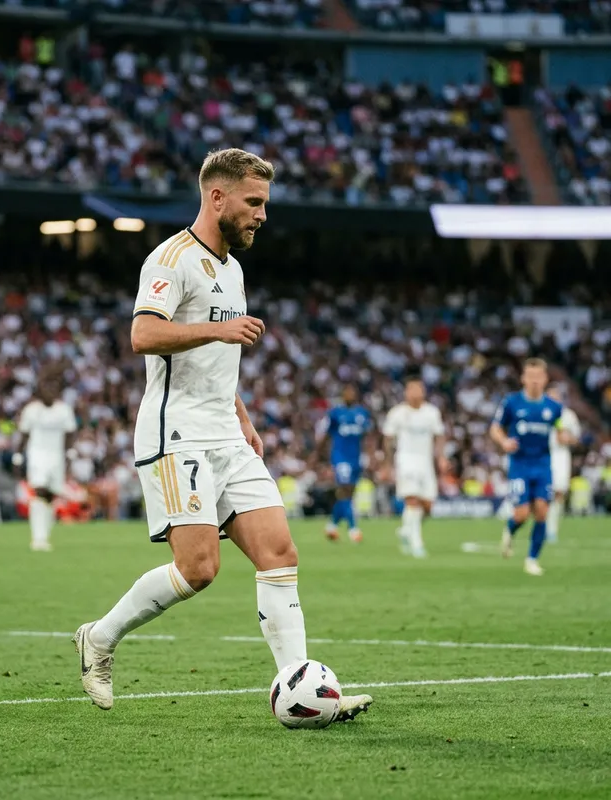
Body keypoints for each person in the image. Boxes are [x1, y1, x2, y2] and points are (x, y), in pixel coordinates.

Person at [72, 148, 373, 721]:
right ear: (218, 197)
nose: (262, 215)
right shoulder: (171, 259)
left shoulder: (233, 269)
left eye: (264, 203)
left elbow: (212, 356)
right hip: (176, 432)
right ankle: (100, 637)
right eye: (254, 202)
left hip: (225, 433)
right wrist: (220, 328)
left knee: (279, 553)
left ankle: (304, 693)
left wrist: (241, 413)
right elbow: (143, 335)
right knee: (199, 569)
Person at [490, 358, 564, 576]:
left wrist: (564, 435)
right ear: (523, 378)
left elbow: (559, 428)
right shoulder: (511, 403)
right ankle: (510, 530)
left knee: (542, 511)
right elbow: (495, 428)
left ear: (545, 379)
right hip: (519, 465)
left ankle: (532, 559)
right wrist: (504, 441)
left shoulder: (554, 407)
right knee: (521, 514)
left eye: (538, 377)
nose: (534, 381)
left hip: (543, 465)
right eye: (530, 377)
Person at [382, 377, 447, 558]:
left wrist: (441, 457)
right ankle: (417, 543)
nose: (415, 394)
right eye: (411, 390)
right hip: (406, 460)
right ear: (406, 393)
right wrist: (387, 464)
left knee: (427, 506)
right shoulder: (397, 413)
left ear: (423, 392)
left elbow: (439, 435)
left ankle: (405, 530)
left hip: (425, 462)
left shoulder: (431, 413)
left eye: (418, 390)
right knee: (412, 500)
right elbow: (387, 438)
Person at [14, 377, 77, 551]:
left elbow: (70, 434)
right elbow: (24, 435)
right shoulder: (31, 410)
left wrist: (70, 454)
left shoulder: (64, 410)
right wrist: (18, 456)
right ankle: (37, 537)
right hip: (37, 455)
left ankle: (45, 535)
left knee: (51, 495)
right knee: (39, 491)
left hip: (56, 456)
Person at [318, 383, 370, 543]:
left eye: (352, 392)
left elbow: (367, 435)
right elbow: (326, 435)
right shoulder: (335, 413)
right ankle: (353, 529)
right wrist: (321, 455)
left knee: (349, 494)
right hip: (340, 457)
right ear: (343, 395)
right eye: (347, 392)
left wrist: (370, 454)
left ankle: (332, 525)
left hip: (356, 457)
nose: (350, 395)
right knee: (344, 490)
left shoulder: (362, 413)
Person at [545, 386, 580, 543]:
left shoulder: (569, 416)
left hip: (561, 456)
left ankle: (552, 529)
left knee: (559, 492)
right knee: (543, 492)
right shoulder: (541, 412)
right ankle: (542, 525)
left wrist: (568, 439)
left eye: (556, 396)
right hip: (544, 454)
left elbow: (577, 439)